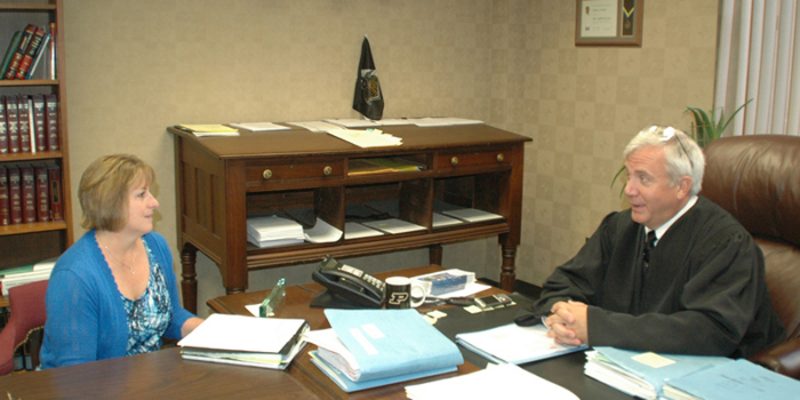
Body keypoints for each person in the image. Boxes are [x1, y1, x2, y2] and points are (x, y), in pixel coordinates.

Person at [525, 125, 785, 358]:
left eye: (644, 178)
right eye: (629, 175)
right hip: (627, 363)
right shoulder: (621, 227)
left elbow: (709, 331)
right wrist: (560, 314)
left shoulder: (727, 243)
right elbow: (566, 281)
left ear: (682, 186)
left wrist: (596, 326)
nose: (629, 190)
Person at [41, 154, 203, 368]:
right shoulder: (73, 277)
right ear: (110, 203)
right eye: (141, 194)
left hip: (147, 384)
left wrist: (220, 330)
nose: (154, 202)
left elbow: (172, 318)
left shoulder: (156, 246)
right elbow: (74, 374)